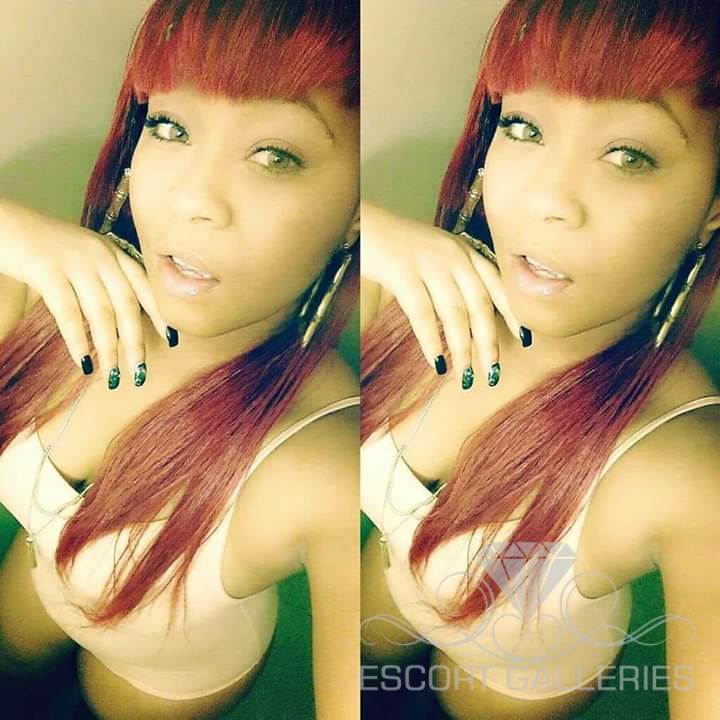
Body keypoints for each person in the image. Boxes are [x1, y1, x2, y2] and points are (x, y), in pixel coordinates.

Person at [360, 1, 720, 718]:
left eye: (628, 155)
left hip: (513, 671)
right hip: (388, 586)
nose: (546, 199)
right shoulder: (403, 297)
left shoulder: (684, 468)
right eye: (524, 127)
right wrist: (371, 233)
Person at [0, 1, 359, 719]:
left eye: (274, 155)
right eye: (169, 127)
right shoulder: (37, 297)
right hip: (36, 577)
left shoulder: (323, 461)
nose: (191, 197)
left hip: (163, 671)